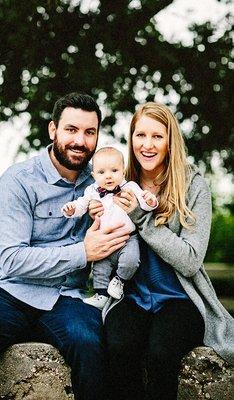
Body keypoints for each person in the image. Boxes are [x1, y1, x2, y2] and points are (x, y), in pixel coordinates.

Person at [0, 92, 131, 400]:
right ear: (53, 130)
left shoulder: (100, 184)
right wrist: (82, 252)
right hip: (10, 292)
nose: (80, 141)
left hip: (66, 297)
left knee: (90, 345)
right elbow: (12, 258)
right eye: (71, 130)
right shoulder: (18, 181)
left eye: (89, 132)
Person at [90, 102, 234, 400]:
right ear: (131, 140)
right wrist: (96, 218)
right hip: (133, 295)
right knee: (118, 345)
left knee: (161, 352)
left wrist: (142, 220)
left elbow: (191, 261)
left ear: (171, 140)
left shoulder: (193, 186)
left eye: (157, 136)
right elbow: (100, 232)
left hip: (181, 299)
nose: (147, 145)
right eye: (140, 135)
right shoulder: (118, 181)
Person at [62, 147, 158, 309]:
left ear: (123, 171)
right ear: (93, 175)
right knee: (100, 268)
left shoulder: (131, 187)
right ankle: (101, 295)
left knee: (131, 261)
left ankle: (119, 281)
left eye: (114, 170)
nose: (108, 176)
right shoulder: (91, 191)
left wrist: (150, 201)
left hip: (128, 238)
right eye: (101, 172)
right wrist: (72, 209)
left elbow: (144, 202)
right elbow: (81, 205)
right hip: (104, 239)